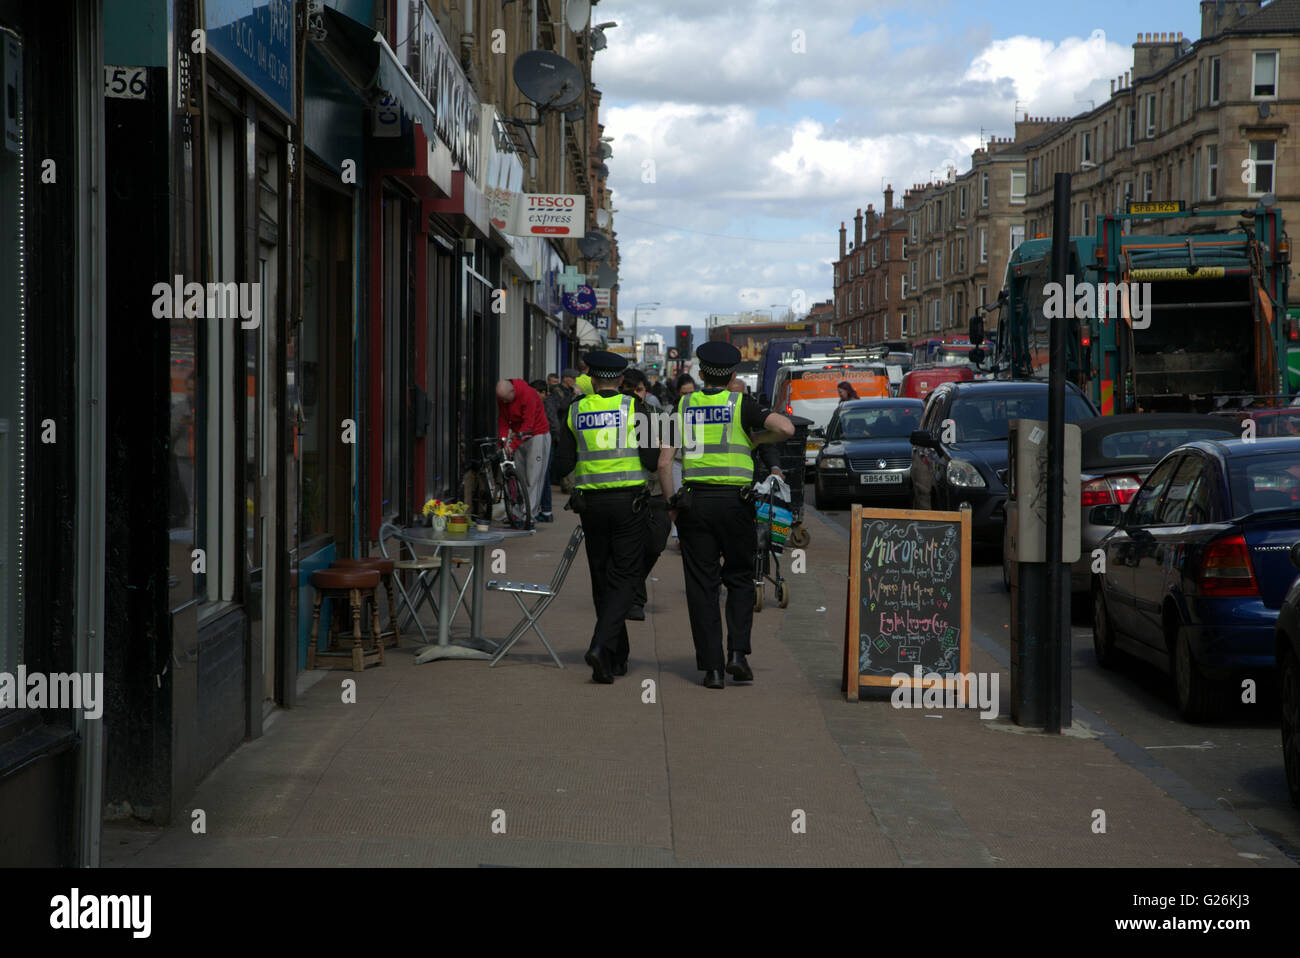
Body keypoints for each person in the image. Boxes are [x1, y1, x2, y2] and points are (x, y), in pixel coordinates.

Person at [657, 341, 794, 689]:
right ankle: (737, 654)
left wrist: (672, 503)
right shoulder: (740, 403)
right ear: (732, 375)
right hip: (736, 505)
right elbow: (787, 429)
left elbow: (663, 462)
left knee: (702, 586)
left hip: (695, 505)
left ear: (701, 374)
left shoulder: (682, 405)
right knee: (740, 578)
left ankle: (713, 670)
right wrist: (756, 438)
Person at [552, 352, 660, 683]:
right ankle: (601, 646)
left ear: (592, 379)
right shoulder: (635, 407)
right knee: (625, 577)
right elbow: (651, 460)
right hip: (628, 504)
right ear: (621, 379)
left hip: (591, 506)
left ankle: (615, 658)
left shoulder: (575, 409)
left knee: (601, 577)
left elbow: (562, 465)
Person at [620, 368, 670, 621]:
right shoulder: (617, 417)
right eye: (629, 390)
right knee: (630, 547)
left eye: (638, 390)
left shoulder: (659, 415)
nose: (635, 395)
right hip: (627, 491)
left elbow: (673, 451)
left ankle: (631, 586)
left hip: (656, 490)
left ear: (645, 391)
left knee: (655, 544)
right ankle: (634, 599)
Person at [496, 377, 552, 522]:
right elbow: (503, 420)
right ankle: (517, 514)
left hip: (537, 434)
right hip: (519, 435)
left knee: (533, 477)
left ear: (512, 392)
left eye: (506, 399)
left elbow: (528, 424)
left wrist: (512, 445)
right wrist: (502, 443)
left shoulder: (528, 394)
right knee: (519, 475)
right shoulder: (503, 398)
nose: (504, 402)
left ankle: (529, 515)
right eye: (501, 399)